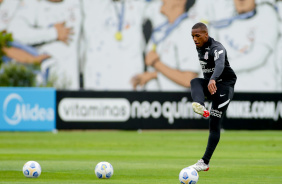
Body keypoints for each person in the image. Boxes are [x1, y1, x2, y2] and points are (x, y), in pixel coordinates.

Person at [82, 0, 165, 91]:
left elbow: (167, 13)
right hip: (97, 83)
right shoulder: (89, 4)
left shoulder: (138, 5)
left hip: (129, 82)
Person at [188, 22, 237, 172]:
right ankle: (199, 105)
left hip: (224, 88)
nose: (194, 39)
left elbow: (220, 64)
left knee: (214, 125)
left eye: (197, 36)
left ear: (206, 35)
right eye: (192, 36)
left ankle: (205, 162)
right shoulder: (199, 47)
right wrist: (210, 82)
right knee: (194, 81)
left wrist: (213, 78)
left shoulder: (217, 48)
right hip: (212, 85)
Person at [7, 0, 81, 89]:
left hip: (71, 85)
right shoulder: (32, 3)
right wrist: (52, 33)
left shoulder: (77, 3)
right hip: (42, 83)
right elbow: (15, 33)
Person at [210, 0, 279, 92]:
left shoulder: (266, 13)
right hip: (232, 93)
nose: (241, 0)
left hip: (261, 91)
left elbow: (258, 57)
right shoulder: (225, 19)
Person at [131, 0, 200, 91]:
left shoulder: (188, 29)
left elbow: (189, 79)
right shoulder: (167, 29)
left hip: (179, 103)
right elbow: (174, 69)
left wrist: (156, 63)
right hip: (161, 102)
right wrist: (151, 75)